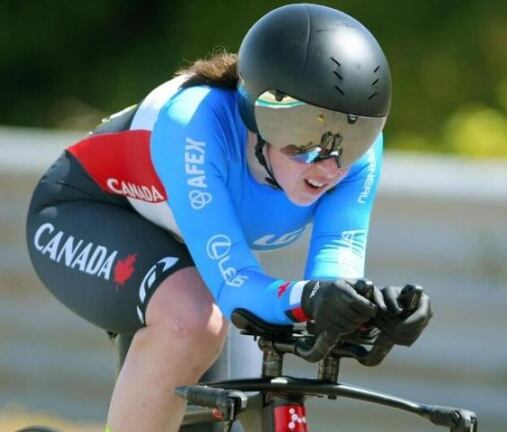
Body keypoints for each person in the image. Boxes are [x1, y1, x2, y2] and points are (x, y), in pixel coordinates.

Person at [26, 3, 432, 431]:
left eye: (352, 141)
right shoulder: (196, 124)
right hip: (83, 212)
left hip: (189, 245)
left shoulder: (356, 160)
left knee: (232, 403)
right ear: (255, 116)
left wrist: (366, 311)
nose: (330, 166)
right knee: (192, 320)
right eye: (304, 138)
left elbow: (333, 267)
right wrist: (309, 298)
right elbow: (236, 285)